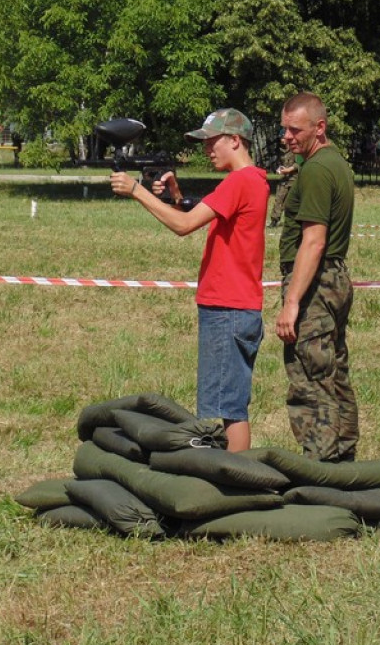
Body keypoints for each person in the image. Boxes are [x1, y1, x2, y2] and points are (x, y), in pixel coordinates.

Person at [110, 109, 269, 451]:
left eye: (212, 142)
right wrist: (176, 197)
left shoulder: (240, 181)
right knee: (229, 404)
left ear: (235, 140)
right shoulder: (253, 180)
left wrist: (137, 191)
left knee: (230, 409)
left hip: (228, 306)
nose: (207, 149)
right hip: (231, 305)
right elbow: (196, 213)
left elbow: (183, 226)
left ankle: (238, 479)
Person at [274, 92, 359, 462]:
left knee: (310, 377)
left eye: (296, 130)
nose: (287, 137)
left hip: (314, 283)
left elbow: (313, 240)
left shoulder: (318, 170)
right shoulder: (332, 162)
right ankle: (343, 457)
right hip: (333, 278)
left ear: (319, 127)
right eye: (284, 129)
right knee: (334, 370)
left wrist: (292, 303)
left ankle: (321, 466)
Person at [268, 144, 298, 228]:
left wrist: (289, 170)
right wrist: (280, 169)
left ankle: (291, 221)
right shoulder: (281, 150)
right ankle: (274, 220)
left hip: (293, 180)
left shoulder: (296, 149)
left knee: (289, 202)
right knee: (278, 199)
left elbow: (299, 163)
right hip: (284, 179)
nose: (283, 139)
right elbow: (280, 162)